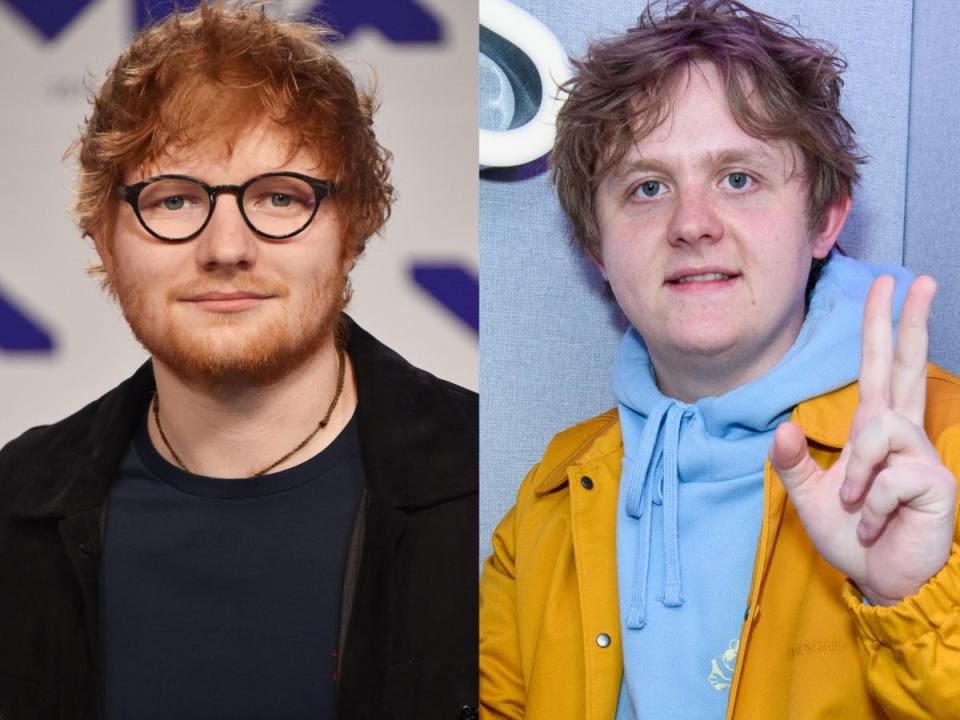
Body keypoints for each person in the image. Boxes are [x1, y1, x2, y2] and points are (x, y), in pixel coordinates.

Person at [479, 1, 960, 718]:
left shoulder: (943, 449)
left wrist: (910, 604)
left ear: (824, 219)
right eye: (647, 186)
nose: (692, 224)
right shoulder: (549, 501)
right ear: (596, 249)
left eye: (738, 178)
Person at [0, 4, 477, 719]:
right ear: (103, 238)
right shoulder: (15, 508)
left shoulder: (488, 484)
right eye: (174, 199)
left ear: (353, 231)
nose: (227, 247)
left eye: (281, 197)